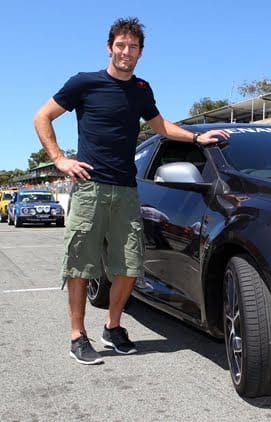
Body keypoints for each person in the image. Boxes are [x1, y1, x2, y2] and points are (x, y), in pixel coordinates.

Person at [33, 17, 230, 365]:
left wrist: (197, 138)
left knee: (129, 264)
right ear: (110, 47)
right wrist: (60, 159)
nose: (126, 51)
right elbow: (42, 117)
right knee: (81, 265)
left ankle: (113, 326)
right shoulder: (84, 83)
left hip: (126, 190)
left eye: (133, 46)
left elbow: (161, 126)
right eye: (120, 45)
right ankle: (78, 335)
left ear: (140, 52)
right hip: (90, 188)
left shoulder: (141, 90)